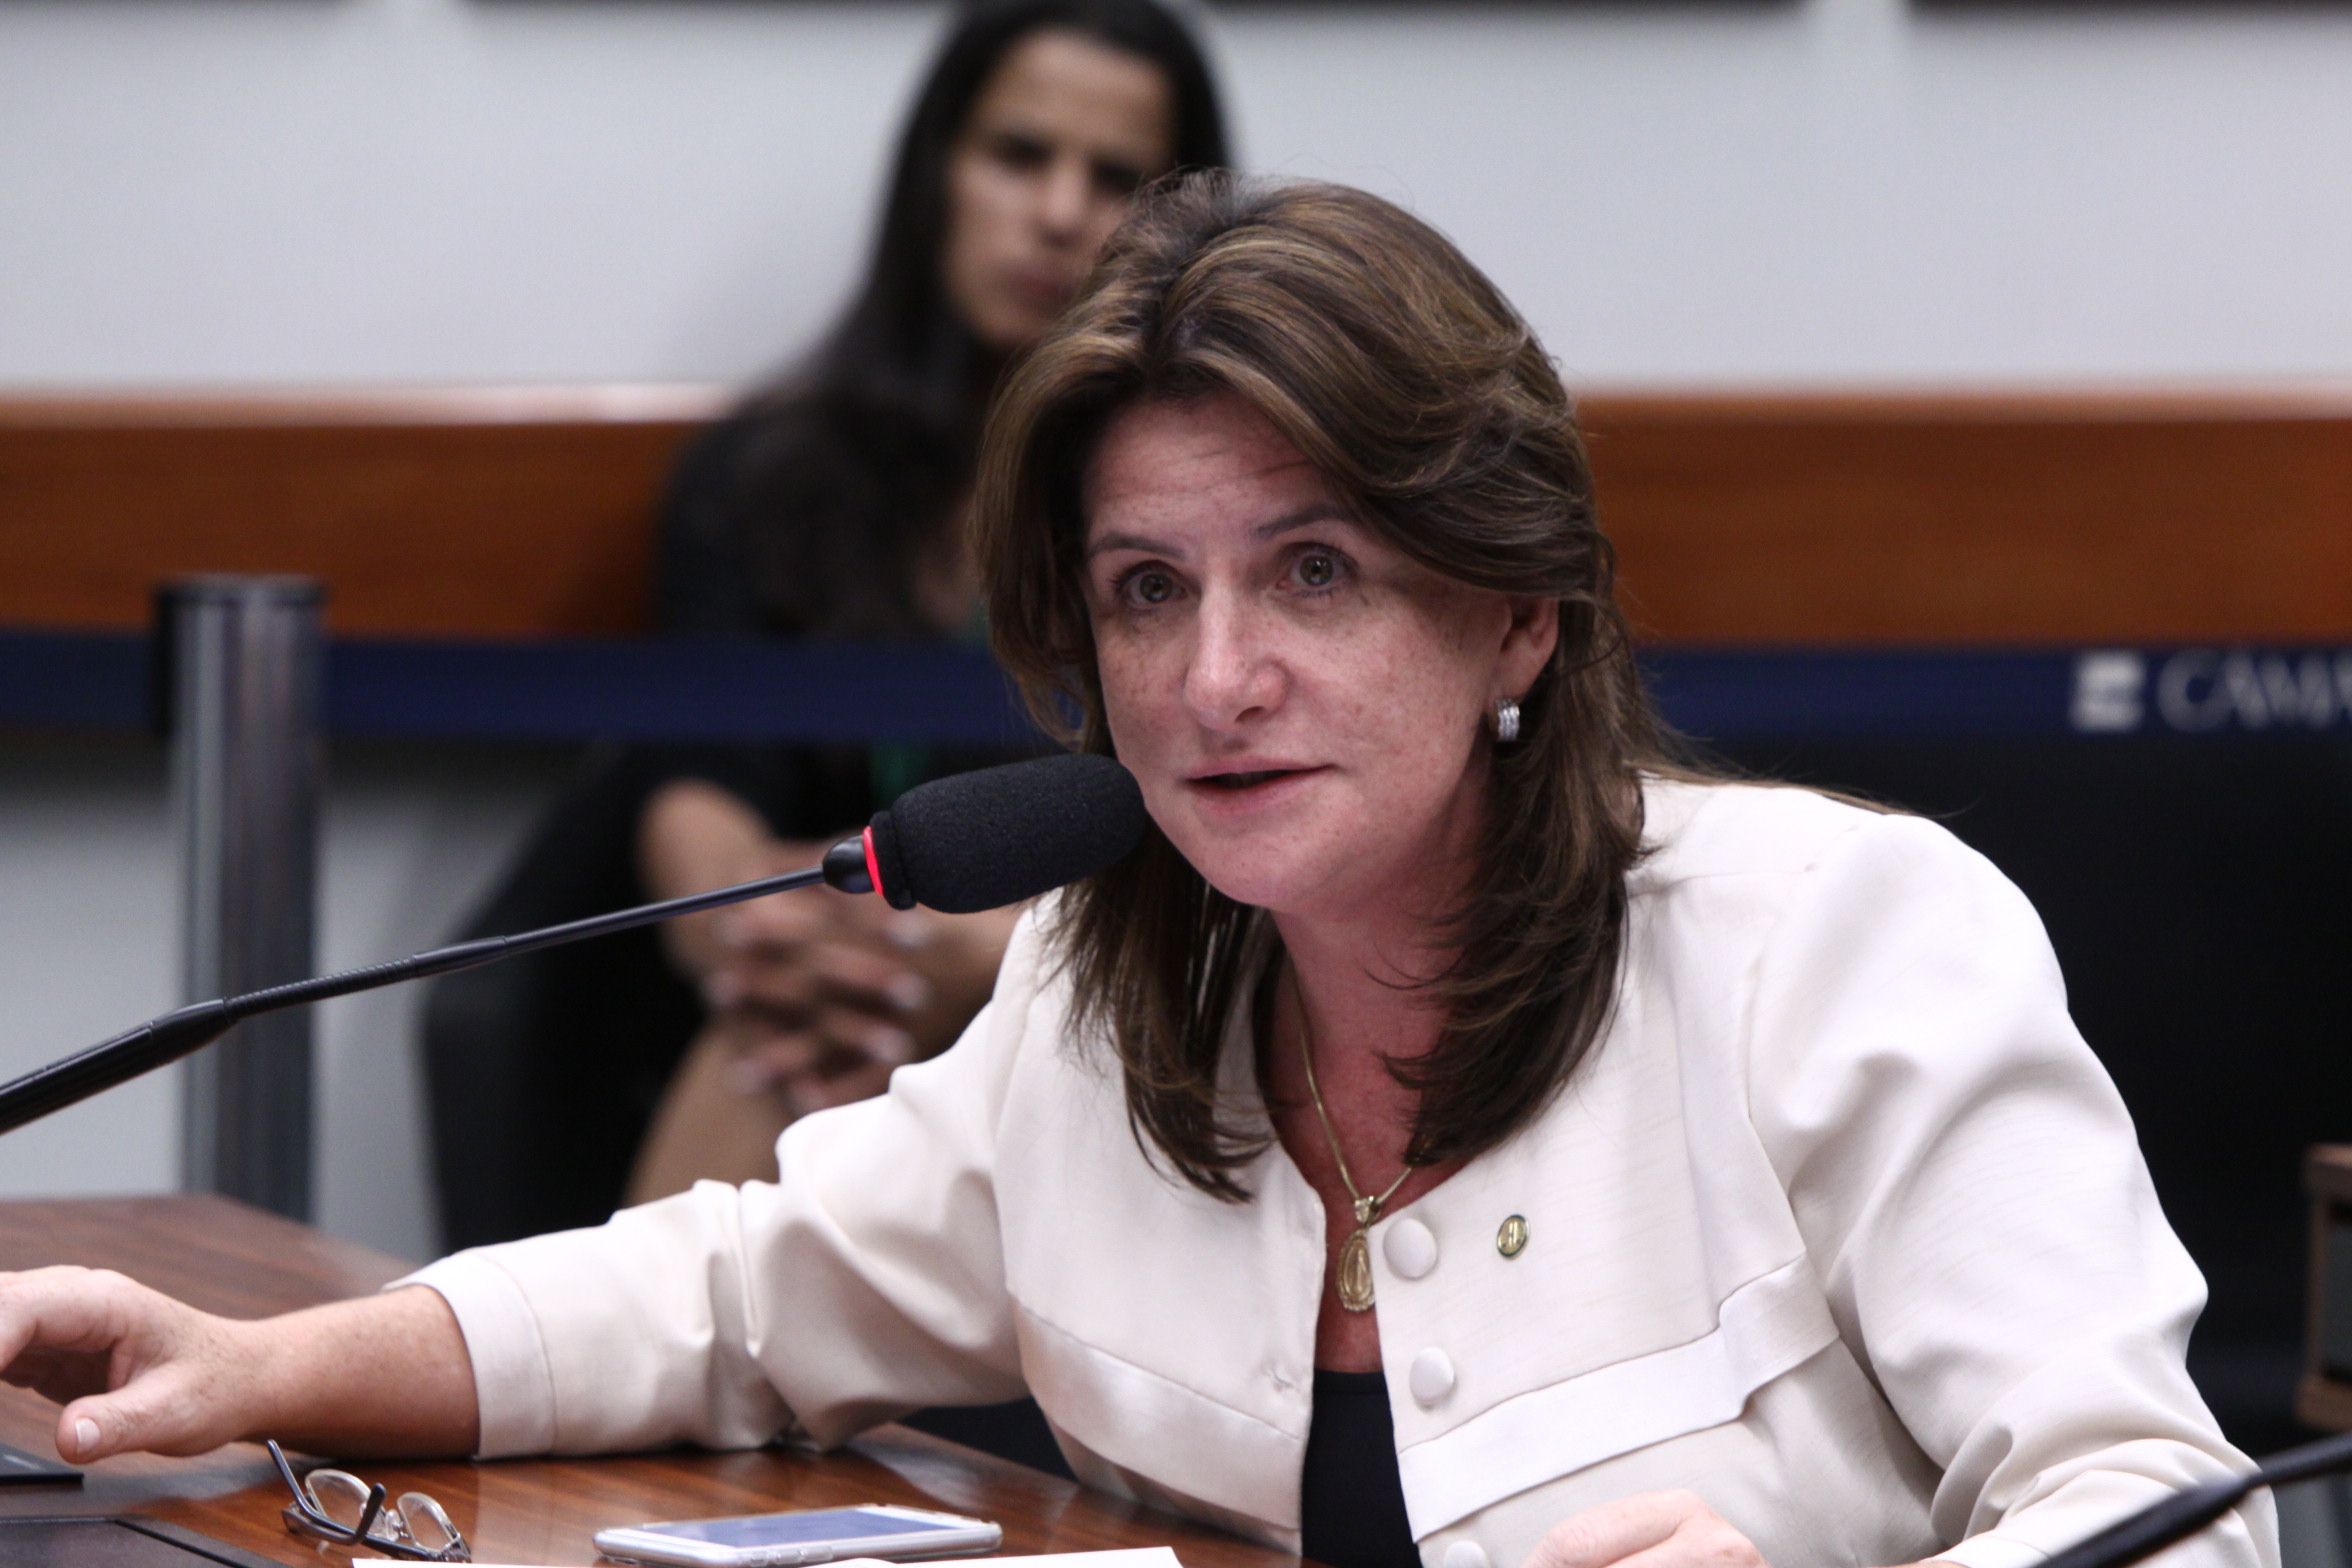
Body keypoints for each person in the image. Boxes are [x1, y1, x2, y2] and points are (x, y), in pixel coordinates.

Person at [0, 176, 2275, 1568]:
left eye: (1316, 571)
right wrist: (256, 1364)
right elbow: (733, 1298)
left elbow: (2169, 1519)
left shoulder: (1841, 945)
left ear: (1516, 615)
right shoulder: (1113, 980)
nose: (1215, 678)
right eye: (1145, 590)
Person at [423, 0, 1229, 1247]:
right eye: (1019, 155)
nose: (1060, 211)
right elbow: (693, 775)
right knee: (783, 1031)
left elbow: (1220, 823)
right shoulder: (765, 476)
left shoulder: (1208, 508)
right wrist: (758, 932)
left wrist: (1001, 954)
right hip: (817, 997)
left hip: (1094, 987)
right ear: (936, 173)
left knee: (828, 1036)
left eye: (1115, 176)